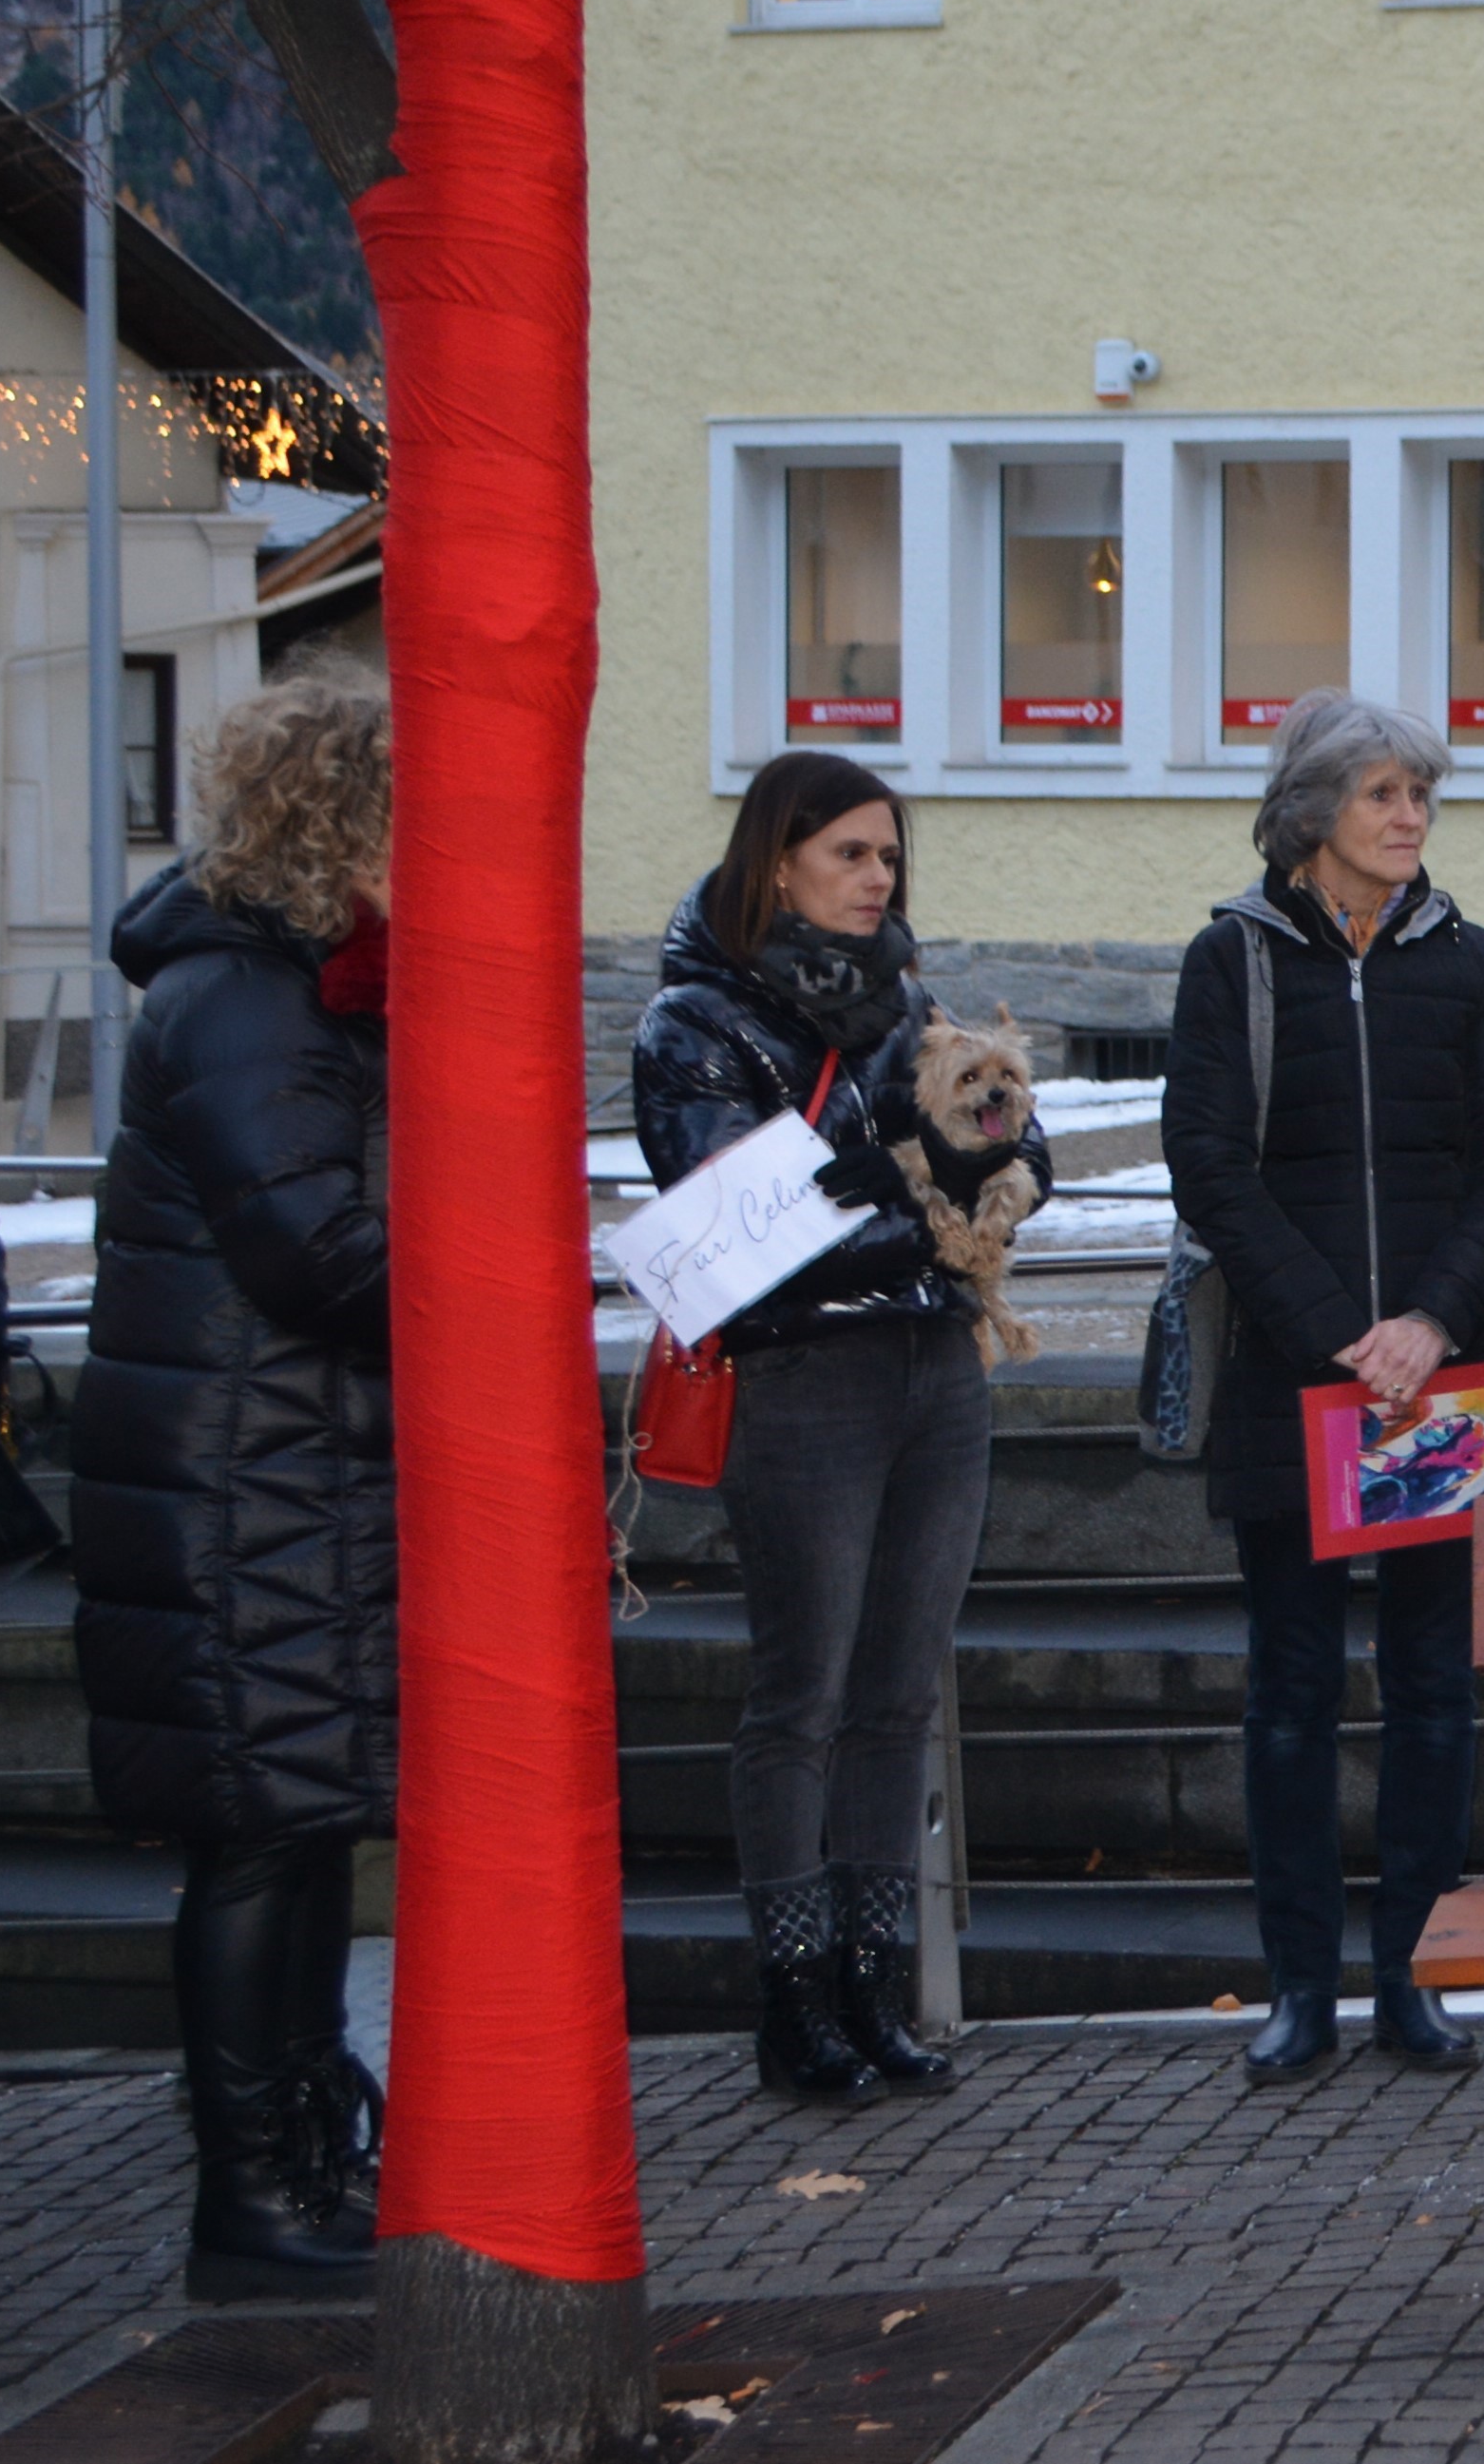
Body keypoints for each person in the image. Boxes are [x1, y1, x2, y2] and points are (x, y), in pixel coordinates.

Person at [633, 749, 1049, 2105]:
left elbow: (1005, 1149)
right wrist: (913, 1202)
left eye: (890, 856)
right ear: (777, 861)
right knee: (800, 1695)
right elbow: (737, 1231)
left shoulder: (906, 1000)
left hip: (935, 1360)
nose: (879, 878)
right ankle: (793, 1997)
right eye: (851, 854)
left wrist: (973, 1175)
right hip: (803, 1376)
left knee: (898, 1692)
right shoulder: (696, 1020)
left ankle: (877, 1985)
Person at [72, 678, 397, 2300]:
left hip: (271, 1475)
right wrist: (498, 1256)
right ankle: (258, 2200)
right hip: (243, 1486)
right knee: (263, 1841)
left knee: (296, 1830)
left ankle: (304, 2164)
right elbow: (316, 1251)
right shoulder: (249, 999)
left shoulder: (274, 987)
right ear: (350, 822)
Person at [1165, 692, 1484, 2082]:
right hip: (1297, 1381)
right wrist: (1343, 1334)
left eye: (1420, 795)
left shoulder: (1470, 961)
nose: (1409, 817)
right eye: (1383, 793)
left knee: (1435, 1688)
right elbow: (1210, 1167)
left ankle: (1415, 1978)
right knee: (1292, 1693)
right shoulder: (1232, 960)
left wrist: (1431, 1322)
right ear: (1312, 810)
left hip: (1442, 1385)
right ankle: (1300, 1986)